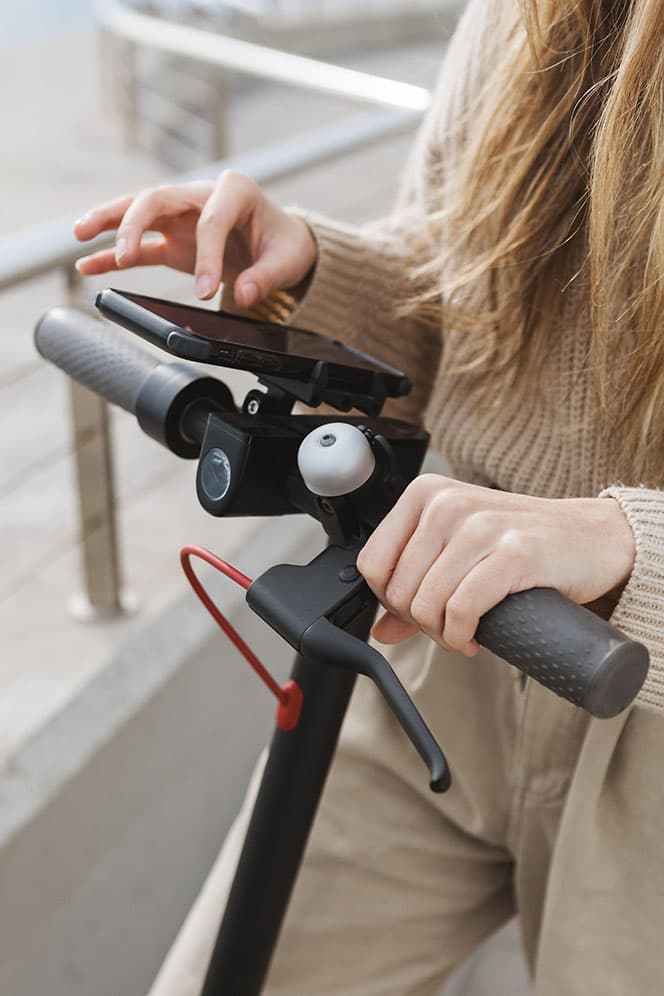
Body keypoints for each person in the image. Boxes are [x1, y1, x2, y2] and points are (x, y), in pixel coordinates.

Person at [74, 1, 664, 993]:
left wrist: (626, 539)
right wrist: (308, 267)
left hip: (636, 690)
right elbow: (458, 283)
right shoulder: (523, 17)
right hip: (440, 638)